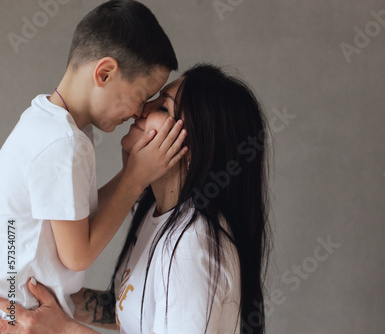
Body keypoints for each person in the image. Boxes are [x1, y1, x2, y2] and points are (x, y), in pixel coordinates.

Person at [0, 64, 270, 334]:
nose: (143, 109)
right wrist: (28, 297)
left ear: (194, 147)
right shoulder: (153, 210)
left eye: (163, 107)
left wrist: (62, 330)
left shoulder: (192, 248)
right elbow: (125, 308)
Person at [0, 0, 187, 322]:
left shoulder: (44, 122)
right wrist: (135, 179)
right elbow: (77, 254)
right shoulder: (64, 144)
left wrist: (131, 172)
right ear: (105, 73)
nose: (141, 111)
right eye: (142, 97)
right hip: (20, 317)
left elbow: (72, 215)